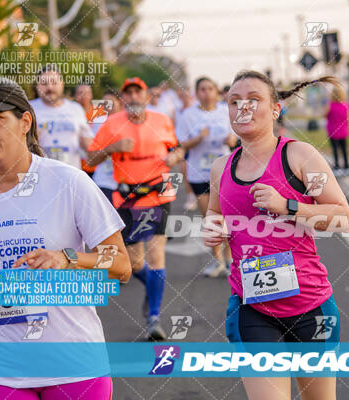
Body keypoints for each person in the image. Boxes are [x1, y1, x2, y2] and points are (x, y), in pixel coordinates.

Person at [0, 76, 131, 399]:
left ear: (25, 122)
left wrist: (67, 258)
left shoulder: (68, 182)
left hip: (73, 362)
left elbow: (121, 265)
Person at [203, 70, 349, 400]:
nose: (242, 107)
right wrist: (213, 228)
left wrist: (288, 205)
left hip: (310, 307)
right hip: (251, 308)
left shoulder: (299, 156)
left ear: (275, 109)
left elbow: (343, 218)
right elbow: (215, 213)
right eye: (234, 101)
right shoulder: (220, 168)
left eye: (253, 100)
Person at [87, 77, 184, 340]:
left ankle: (154, 317)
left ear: (146, 96)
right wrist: (112, 148)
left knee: (156, 256)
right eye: (127, 94)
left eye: (137, 93)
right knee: (132, 262)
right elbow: (90, 158)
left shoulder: (162, 120)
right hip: (127, 196)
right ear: (123, 99)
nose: (133, 98)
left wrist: (174, 156)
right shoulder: (112, 124)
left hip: (159, 193)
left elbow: (176, 148)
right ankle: (151, 288)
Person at [178, 77, 237, 278]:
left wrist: (232, 140)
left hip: (224, 172)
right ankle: (217, 260)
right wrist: (198, 138)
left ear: (216, 91)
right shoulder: (188, 115)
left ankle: (230, 261)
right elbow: (181, 144)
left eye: (210, 88)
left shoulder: (225, 111)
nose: (206, 92)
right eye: (202, 89)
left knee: (227, 218)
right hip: (198, 174)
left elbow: (236, 137)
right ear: (197, 93)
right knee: (211, 219)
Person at [31, 65, 94, 169]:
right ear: (37, 86)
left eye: (54, 82)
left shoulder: (76, 109)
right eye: (44, 83)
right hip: (41, 174)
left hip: (71, 175)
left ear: (62, 84)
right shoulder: (29, 108)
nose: (49, 87)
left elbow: (89, 146)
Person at [91, 90, 123, 200]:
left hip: (125, 183)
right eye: (105, 105)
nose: (108, 108)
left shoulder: (129, 122)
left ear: (120, 103)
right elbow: (92, 154)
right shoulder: (98, 123)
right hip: (103, 182)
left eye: (111, 104)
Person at [325, 85, 349, 173]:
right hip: (343, 130)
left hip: (332, 130)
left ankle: (337, 167)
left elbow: (324, 115)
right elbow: (348, 118)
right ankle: (347, 166)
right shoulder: (346, 105)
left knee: (335, 149)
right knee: (344, 149)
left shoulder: (330, 105)